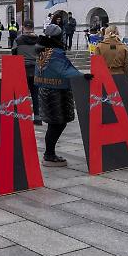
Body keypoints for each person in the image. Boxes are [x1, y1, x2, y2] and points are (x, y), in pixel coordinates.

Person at [35, 23, 84, 166]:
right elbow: (64, 70)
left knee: (54, 124)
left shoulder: (43, 50)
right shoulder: (55, 52)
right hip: (56, 92)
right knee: (57, 124)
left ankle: (49, 153)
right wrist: (82, 76)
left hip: (46, 90)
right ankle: (49, 155)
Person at [12, 20, 41, 125]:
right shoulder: (39, 40)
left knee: (22, 94)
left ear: (23, 27)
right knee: (35, 94)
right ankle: (37, 117)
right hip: (36, 70)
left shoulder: (18, 40)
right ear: (33, 28)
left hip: (22, 69)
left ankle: (23, 118)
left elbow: (13, 55)